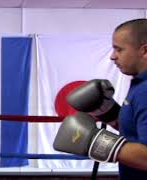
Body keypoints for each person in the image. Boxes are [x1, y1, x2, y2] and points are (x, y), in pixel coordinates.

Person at [53, 19, 147, 180]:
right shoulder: (140, 85)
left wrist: (94, 141)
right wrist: (107, 111)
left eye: (119, 49)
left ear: (144, 51)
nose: (112, 56)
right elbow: (135, 132)